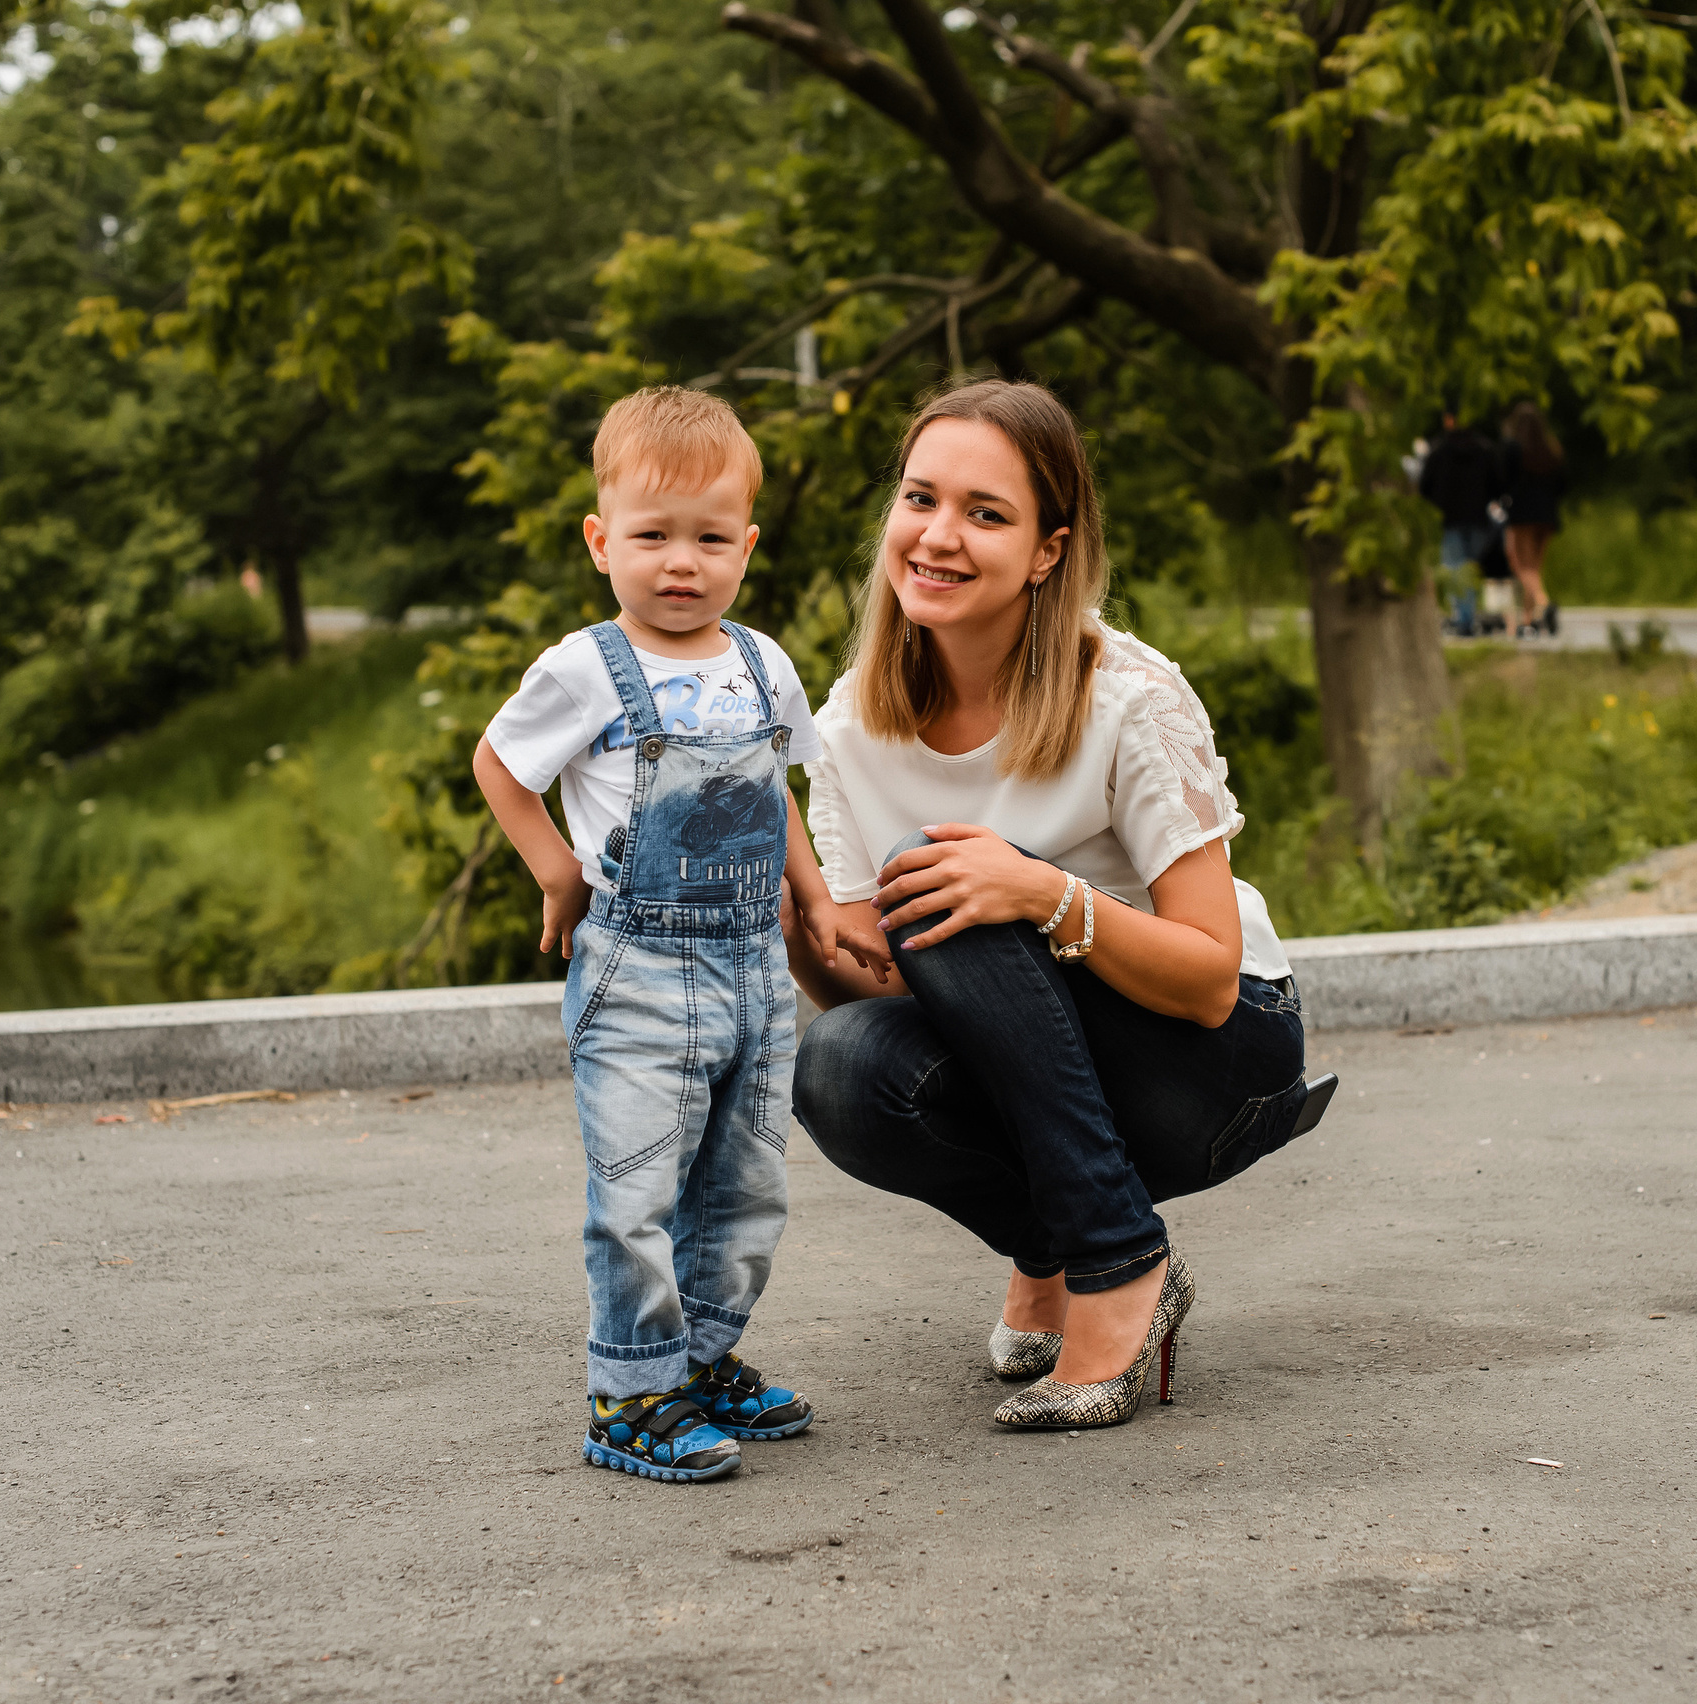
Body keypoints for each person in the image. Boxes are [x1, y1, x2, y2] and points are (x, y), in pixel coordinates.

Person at [787, 379, 1337, 1434]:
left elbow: (1210, 980)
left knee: (948, 872)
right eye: (920, 499)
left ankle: (1115, 1266)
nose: (937, 536)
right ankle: (1065, 1243)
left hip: (1212, 1063)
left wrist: (1041, 891)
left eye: (985, 514)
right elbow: (887, 998)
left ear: (1048, 550)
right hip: (1038, 1073)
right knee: (842, 1069)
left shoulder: (1127, 695)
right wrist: (793, 917)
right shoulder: (850, 724)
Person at [472, 387, 886, 1483]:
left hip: (754, 966)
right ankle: (630, 1391)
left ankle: (698, 1359)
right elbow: (499, 766)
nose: (680, 563)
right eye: (652, 536)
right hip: (639, 969)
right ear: (601, 540)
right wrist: (556, 870)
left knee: (745, 1186)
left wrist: (817, 902)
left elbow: (772, 793)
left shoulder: (761, 664)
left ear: (745, 546)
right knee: (638, 1186)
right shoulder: (584, 667)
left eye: (709, 539)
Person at [1417, 410, 1505, 635]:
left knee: (1455, 567)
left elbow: (1424, 485)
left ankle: (1463, 618)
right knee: (1470, 568)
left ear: (1449, 420)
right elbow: (1498, 484)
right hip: (1478, 518)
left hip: (1448, 518)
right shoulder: (1484, 448)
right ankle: (1468, 615)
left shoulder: (1439, 450)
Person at [1498, 402, 1567, 636]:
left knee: (1520, 563)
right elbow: (1563, 484)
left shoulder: (1514, 448)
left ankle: (1543, 602)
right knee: (1535, 568)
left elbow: (1504, 481)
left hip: (1523, 514)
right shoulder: (1551, 448)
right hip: (1547, 515)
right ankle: (1528, 619)